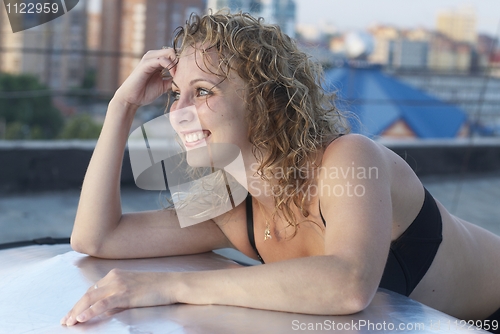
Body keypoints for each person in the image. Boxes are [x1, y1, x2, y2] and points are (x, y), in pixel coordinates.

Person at [61, 10, 500, 331]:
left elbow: (349, 285)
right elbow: (96, 238)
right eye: (175, 95)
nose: (179, 113)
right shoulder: (230, 202)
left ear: (265, 99)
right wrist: (122, 106)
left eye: (203, 91)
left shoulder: (349, 159)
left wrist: (166, 286)